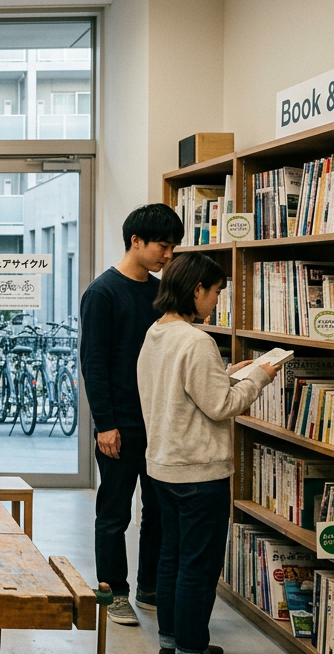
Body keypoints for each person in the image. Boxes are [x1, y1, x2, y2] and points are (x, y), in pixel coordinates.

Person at [137, 253, 278, 654]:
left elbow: (183, 390)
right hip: (199, 470)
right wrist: (258, 377)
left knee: (172, 556)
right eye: (215, 291)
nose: (217, 300)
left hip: (163, 463)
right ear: (197, 289)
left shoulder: (156, 333)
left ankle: (172, 643)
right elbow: (220, 405)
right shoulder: (196, 341)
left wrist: (226, 371)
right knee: (198, 568)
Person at [79, 203, 184, 626]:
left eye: (173, 246)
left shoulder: (161, 293)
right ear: (135, 241)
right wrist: (105, 424)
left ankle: (150, 588)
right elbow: (94, 364)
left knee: (158, 510)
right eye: (163, 245)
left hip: (159, 423)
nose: (169, 254)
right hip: (119, 424)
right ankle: (113, 592)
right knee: (114, 512)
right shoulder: (102, 292)